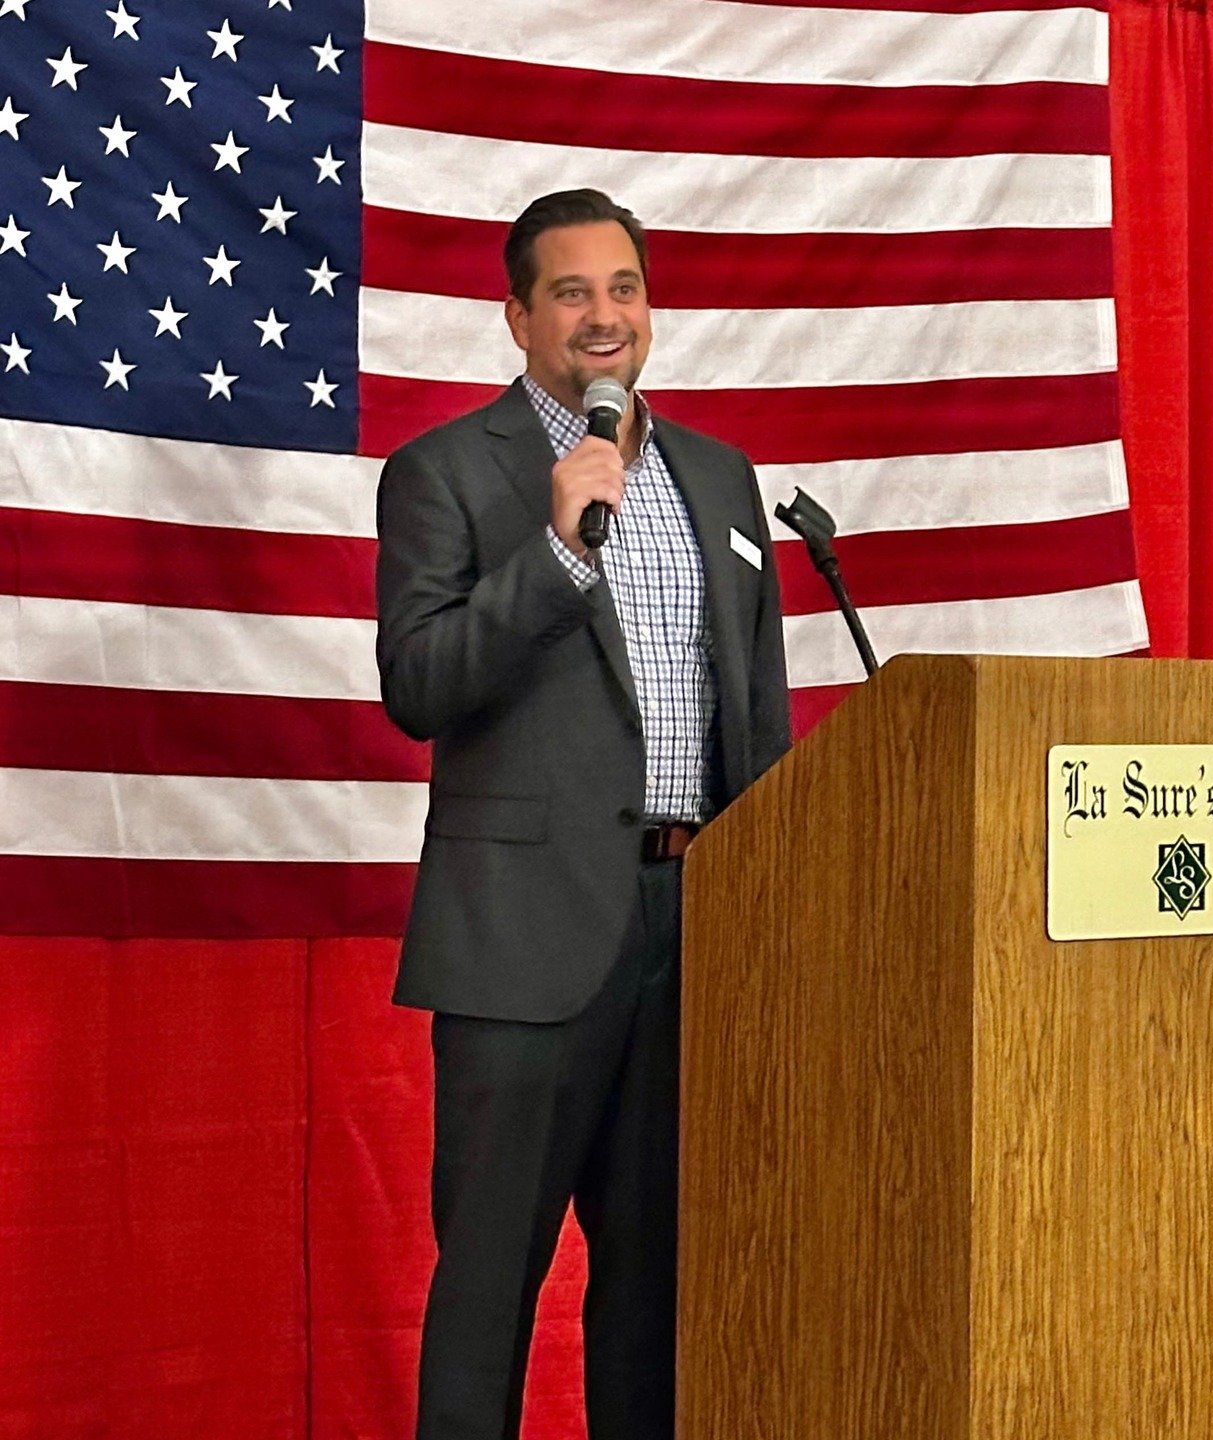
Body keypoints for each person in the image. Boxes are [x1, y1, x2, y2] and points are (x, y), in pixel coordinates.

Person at [374, 188, 792, 1440]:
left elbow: (754, 715)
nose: (603, 317)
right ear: (516, 317)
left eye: (623, 288)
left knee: (660, 1291)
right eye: (571, 292)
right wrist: (557, 555)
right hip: (521, 946)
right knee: (490, 1289)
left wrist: (771, 905)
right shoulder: (448, 471)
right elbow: (418, 684)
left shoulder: (722, 478)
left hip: (695, 927)